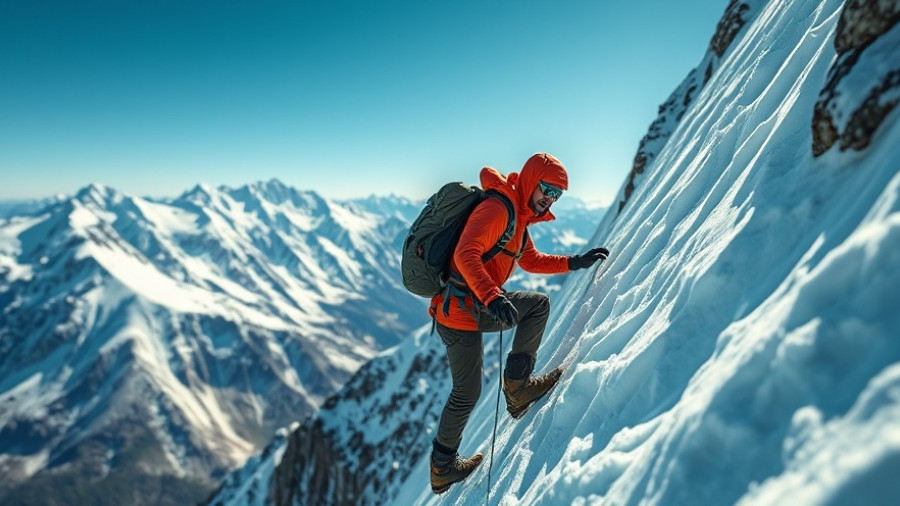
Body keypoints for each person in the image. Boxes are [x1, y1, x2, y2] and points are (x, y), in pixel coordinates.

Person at [429, 153, 610, 494]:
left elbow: (529, 259)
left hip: (472, 305)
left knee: (535, 307)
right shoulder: (499, 210)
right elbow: (464, 253)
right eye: (546, 189)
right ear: (530, 181)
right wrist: (493, 297)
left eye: (557, 194)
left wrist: (573, 262)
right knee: (467, 392)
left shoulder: (519, 217)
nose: (550, 199)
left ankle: (516, 388)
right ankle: (444, 466)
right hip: (462, 310)